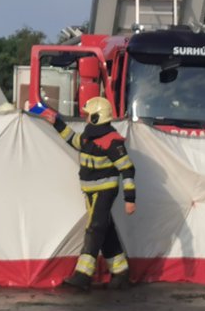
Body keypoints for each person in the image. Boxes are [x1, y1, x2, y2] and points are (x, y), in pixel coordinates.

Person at [34, 96, 136, 291]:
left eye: (89, 116)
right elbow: (74, 140)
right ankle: (121, 272)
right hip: (90, 191)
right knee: (105, 230)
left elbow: (128, 169)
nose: (87, 119)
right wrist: (57, 123)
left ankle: (83, 275)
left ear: (98, 117)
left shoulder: (112, 141)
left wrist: (129, 199)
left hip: (104, 191)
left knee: (95, 228)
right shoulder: (90, 136)